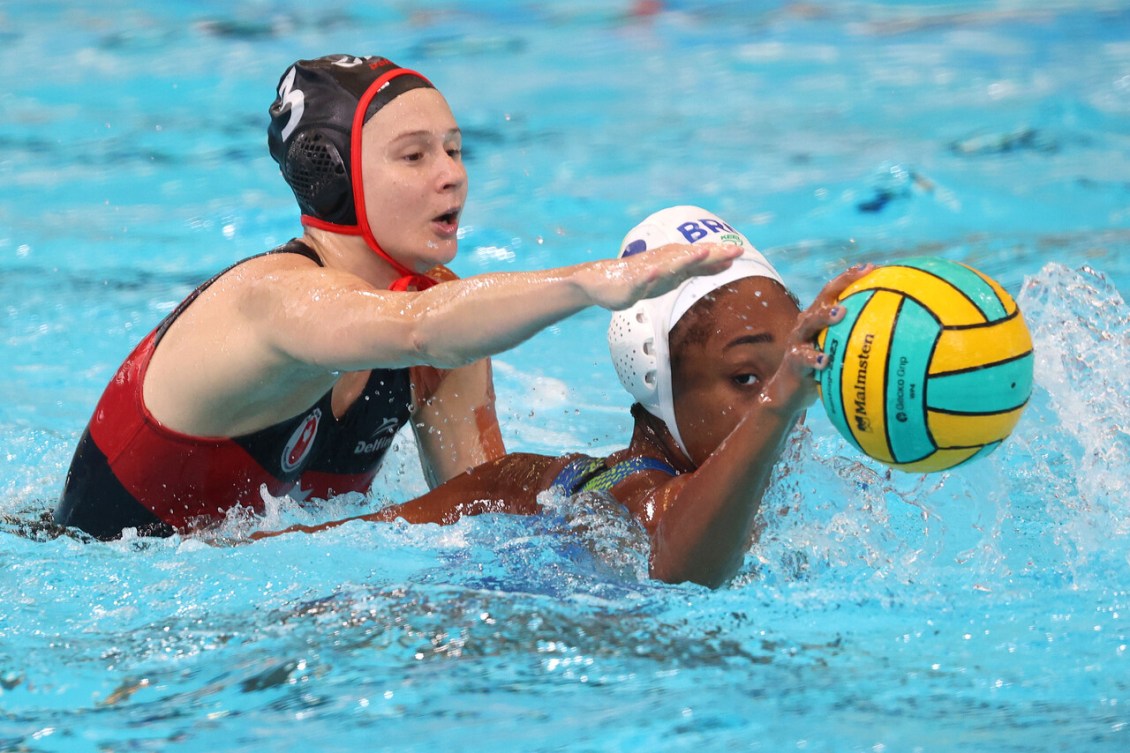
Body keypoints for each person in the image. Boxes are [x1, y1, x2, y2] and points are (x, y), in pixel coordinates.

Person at [54, 56, 741, 541]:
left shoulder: (445, 316)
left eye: (454, 150)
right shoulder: (266, 302)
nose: (452, 178)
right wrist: (588, 283)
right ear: (335, 180)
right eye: (414, 157)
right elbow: (415, 330)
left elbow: (484, 510)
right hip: (94, 624)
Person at [254, 206, 871, 588]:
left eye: (794, 369)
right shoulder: (631, 494)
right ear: (656, 384)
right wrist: (778, 402)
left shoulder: (532, 483)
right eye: (746, 379)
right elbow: (679, 569)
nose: (782, 395)